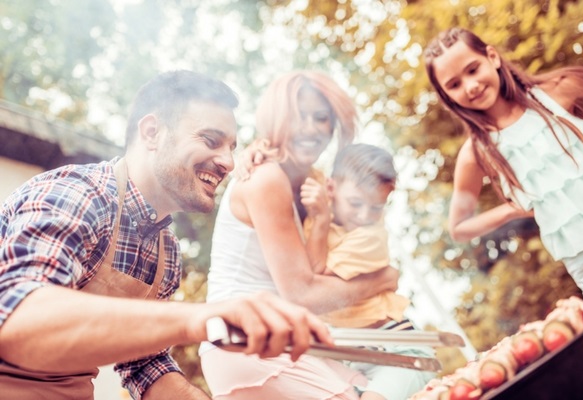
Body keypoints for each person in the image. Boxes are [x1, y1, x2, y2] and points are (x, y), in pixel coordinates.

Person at [0, 70, 334, 400]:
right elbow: (16, 318)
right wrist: (202, 316)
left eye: (232, 146)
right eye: (210, 140)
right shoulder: (81, 194)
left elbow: (144, 365)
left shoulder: (166, 252)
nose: (229, 162)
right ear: (152, 132)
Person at [200, 70, 400, 399]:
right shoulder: (267, 179)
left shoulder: (314, 183)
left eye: (321, 118)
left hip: (284, 337)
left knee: (379, 388)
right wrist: (382, 280)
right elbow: (302, 294)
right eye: (298, 117)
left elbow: (348, 240)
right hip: (245, 340)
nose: (309, 129)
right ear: (278, 120)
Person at [423, 27, 583, 317]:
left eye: (472, 69)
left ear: (491, 56)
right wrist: (510, 211)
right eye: (454, 84)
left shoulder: (555, 92)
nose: (470, 86)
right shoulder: (477, 153)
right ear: (446, 96)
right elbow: (459, 227)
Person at [301, 143, 436, 400]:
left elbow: (314, 281)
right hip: (352, 357)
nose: (364, 215)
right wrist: (256, 152)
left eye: (376, 207)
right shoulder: (321, 192)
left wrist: (320, 221)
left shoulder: (369, 237)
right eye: (355, 203)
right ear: (331, 188)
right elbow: (287, 160)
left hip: (398, 349)